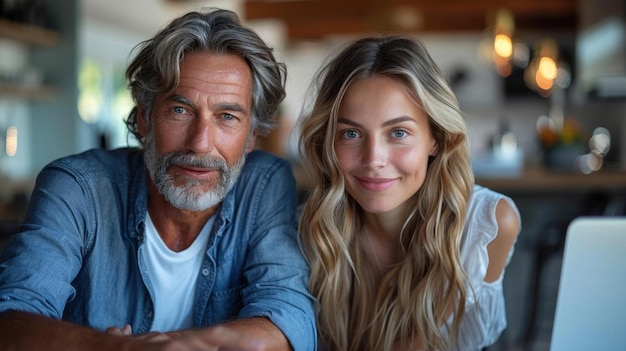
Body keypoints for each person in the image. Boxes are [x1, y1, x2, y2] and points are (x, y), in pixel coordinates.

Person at [0, 8, 316, 351]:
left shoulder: (266, 183)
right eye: (180, 110)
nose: (200, 143)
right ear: (144, 119)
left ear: (251, 136)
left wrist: (165, 345)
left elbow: (288, 318)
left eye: (227, 116)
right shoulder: (77, 188)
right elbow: (12, 320)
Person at [296, 35, 521, 351]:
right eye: (351, 133)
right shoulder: (312, 231)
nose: (374, 160)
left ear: (436, 138)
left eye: (398, 133)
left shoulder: (483, 227)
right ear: (328, 142)